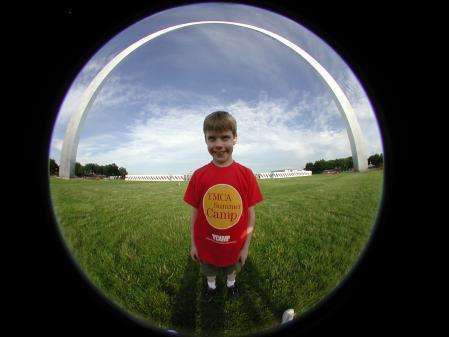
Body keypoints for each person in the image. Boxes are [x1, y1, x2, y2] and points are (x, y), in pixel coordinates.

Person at [183, 111, 263, 301]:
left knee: (232, 269)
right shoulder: (199, 175)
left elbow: (251, 215)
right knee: (209, 270)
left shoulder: (246, 174)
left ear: (235, 139)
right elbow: (195, 214)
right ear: (206, 141)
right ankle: (211, 287)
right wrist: (194, 244)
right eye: (212, 139)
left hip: (234, 246)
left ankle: (231, 284)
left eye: (225, 137)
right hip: (207, 244)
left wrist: (245, 248)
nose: (218, 144)